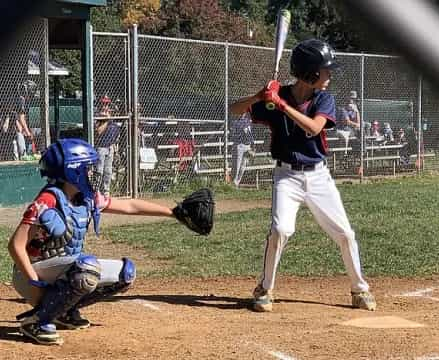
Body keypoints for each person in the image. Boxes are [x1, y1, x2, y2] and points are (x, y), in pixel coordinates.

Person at [7, 138, 204, 345]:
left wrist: (173, 213)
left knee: (125, 273)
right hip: (30, 274)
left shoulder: (86, 197)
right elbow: (16, 245)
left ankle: (62, 311)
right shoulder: (48, 201)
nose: (91, 172)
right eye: (86, 168)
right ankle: (38, 321)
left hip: (59, 270)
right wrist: (35, 283)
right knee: (87, 268)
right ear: (71, 170)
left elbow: (130, 207)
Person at [229, 39, 376, 313]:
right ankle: (264, 289)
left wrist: (282, 106)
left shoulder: (324, 99)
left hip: (319, 177)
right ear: (309, 72)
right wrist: (259, 96)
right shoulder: (275, 97)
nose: (329, 76)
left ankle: (359, 290)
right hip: (287, 177)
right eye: (325, 70)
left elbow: (313, 128)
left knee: (345, 233)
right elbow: (234, 109)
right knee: (281, 230)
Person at [95, 95, 120, 197]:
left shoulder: (111, 116)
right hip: (101, 147)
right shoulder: (97, 115)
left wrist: (115, 148)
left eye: (107, 104)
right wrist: (106, 120)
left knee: (108, 171)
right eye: (104, 103)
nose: (106, 106)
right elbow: (98, 132)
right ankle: (96, 191)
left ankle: (106, 191)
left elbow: (115, 133)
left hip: (110, 147)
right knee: (99, 170)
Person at [231, 112, 255, 187]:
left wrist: (253, 144)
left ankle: (237, 182)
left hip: (247, 145)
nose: (242, 113)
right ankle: (233, 182)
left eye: (243, 112)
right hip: (239, 145)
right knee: (236, 166)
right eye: (240, 112)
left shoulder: (247, 121)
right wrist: (243, 130)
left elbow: (250, 133)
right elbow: (234, 134)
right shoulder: (235, 122)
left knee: (243, 166)